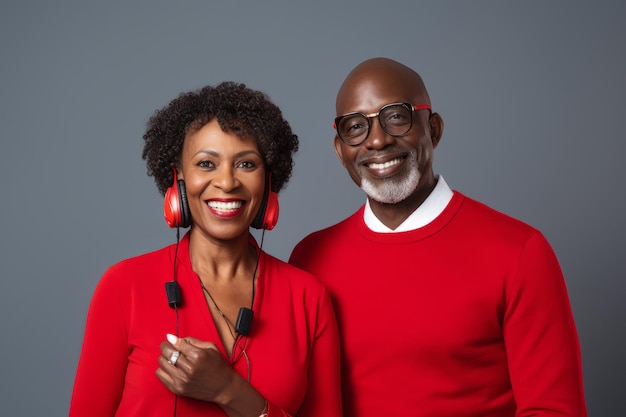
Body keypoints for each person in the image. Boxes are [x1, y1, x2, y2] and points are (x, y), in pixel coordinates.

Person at [289, 57, 587, 417]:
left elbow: (553, 409)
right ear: (340, 151)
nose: (378, 140)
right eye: (356, 127)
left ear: (434, 128)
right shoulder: (309, 259)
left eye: (396, 116)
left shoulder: (519, 251)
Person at [70, 82, 342, 417]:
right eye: (206, 164)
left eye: (246, 164)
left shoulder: (307, 299)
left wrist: (229, 390)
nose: (227, 182)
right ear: (178, 176)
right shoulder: (123, 286)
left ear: (268, 179)